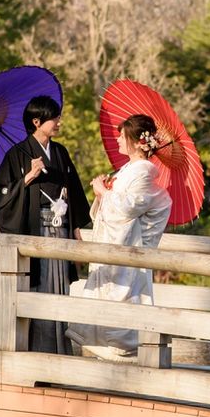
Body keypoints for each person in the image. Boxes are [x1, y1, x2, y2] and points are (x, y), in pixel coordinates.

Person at [0, 94, 92, 354]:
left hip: (62, 227)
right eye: (54, 118)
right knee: (42, 286)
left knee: (61, 286)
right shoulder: (16, 154)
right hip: (36, 230)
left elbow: (75, 191)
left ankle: (61, 349)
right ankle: (40, 350)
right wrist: (28, 176)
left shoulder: (60, 152)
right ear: (36, 122)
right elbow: (2, 194)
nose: (59, 122)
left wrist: (76, 228)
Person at [67, 113, 172, 356]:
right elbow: (114, 207)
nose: (118, 140)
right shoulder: (128, 170)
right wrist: (102, 193)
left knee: (122, 300)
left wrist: (104, 192)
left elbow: (128, 209)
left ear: (137, 142)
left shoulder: (143, 172)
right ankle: (104, 352)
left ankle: (120, 354)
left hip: (127, 249)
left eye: (123, 136)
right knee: (105, 298)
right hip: (112, 242)